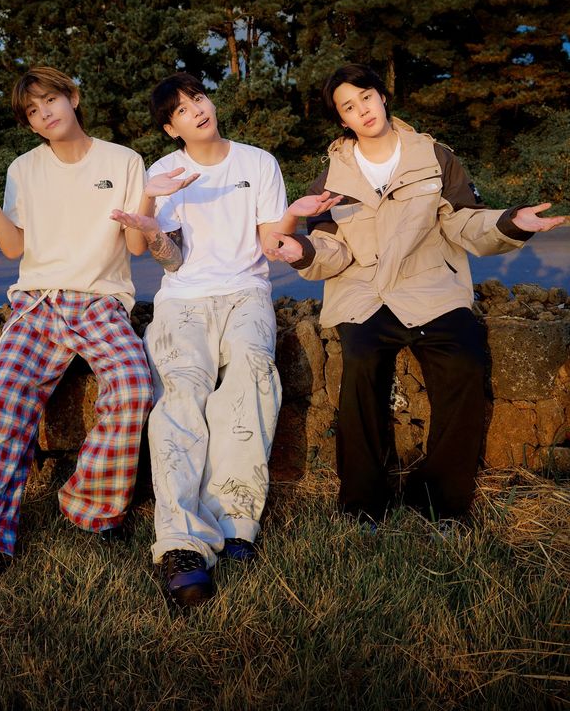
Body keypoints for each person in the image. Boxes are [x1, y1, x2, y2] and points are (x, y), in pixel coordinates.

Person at [0, 65, 191, 600]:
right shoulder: (24, 167)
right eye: (32, 110)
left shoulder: (124, 160)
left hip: (100, 302)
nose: (44, 113)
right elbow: (13, 249)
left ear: (73, 96)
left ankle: (90, 508)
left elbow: (137, 249)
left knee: (134, 386)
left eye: (50, 100)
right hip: (39, 302)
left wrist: (150, 200)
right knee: (4, 407)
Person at [267, 63, 566, 524]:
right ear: (343, 120)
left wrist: (510, 222)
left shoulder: (434, 156)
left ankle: (441, 503)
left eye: (365, 97)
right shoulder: (330, 179)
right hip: (364, 291)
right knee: (361, 367)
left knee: (465, 361)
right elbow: (332, 251)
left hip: (431, 286)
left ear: (382, 96)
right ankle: (364, 504)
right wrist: (300, 249)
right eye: (349, 107)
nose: (361, 110)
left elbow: (464, 221)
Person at [111, 73, 339, 607]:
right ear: (171, 128)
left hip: (245, 293)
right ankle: (180, 542)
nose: (197, 110)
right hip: (183, 299)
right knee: (181, 394)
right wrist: (150, 222)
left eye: (199, 98)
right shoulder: (164, 171)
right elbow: (169, 258)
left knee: (251, 376)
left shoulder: (258, 162)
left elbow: (266, 241)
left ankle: (236, 520)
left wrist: (293, 217)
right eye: (182, 109)